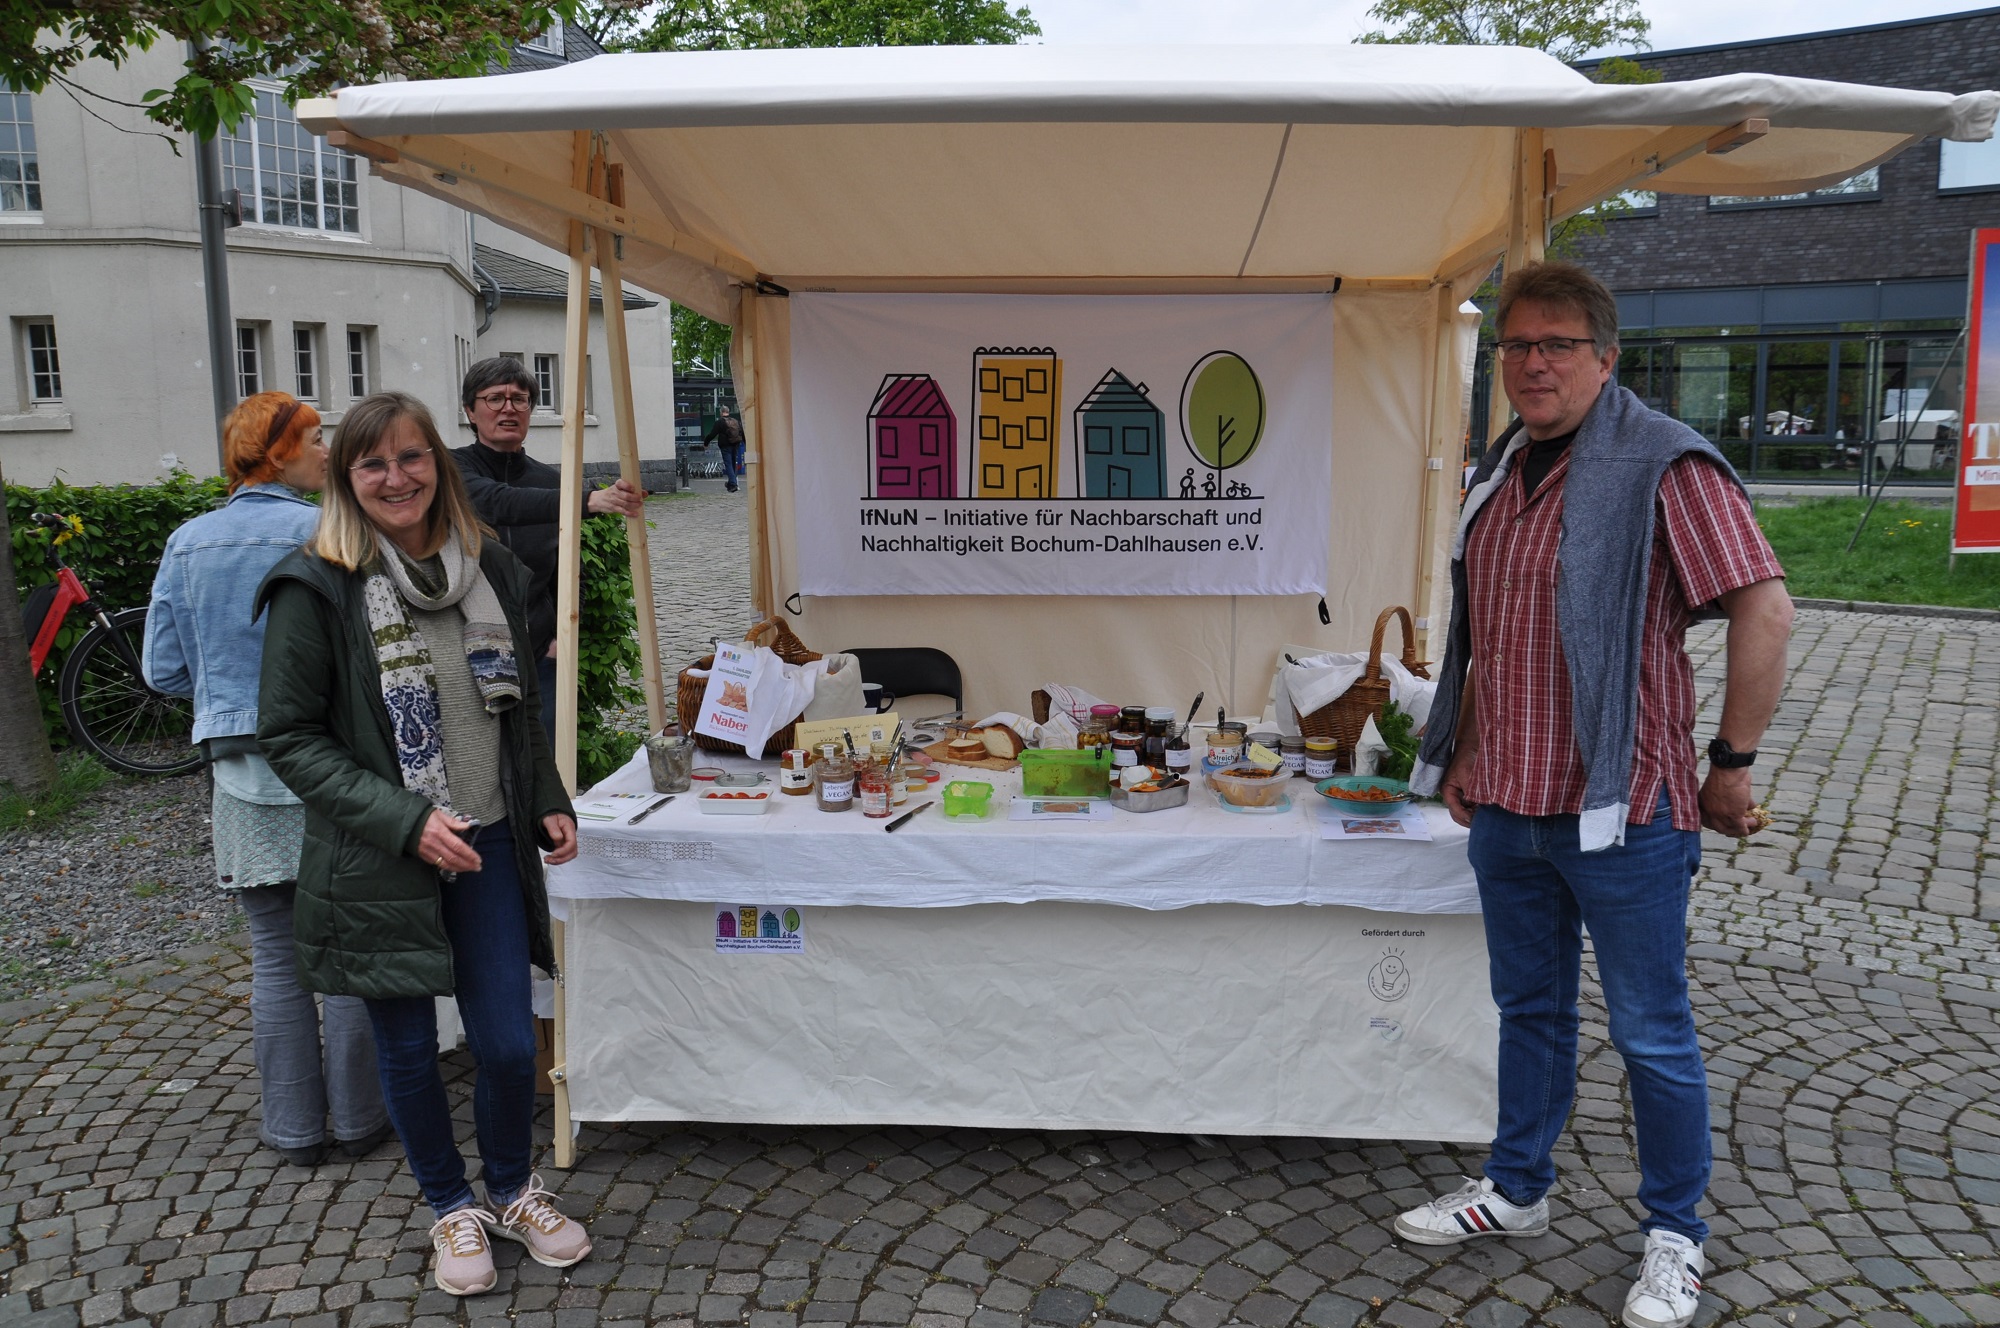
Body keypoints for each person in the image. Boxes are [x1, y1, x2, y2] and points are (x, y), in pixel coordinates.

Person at [1397, 262, 1793, 1328]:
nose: (1533, 363)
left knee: (1651, 1031)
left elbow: (1765, 608)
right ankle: (1517, 1186)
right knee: (1527, 1010)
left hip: (1625, 809)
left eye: (1557, 345)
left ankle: (1675, 1234)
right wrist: (1464, 748)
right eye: (1517, 345)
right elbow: (1490, 635)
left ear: (1604, 358)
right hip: (1510, 803)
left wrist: (1731, 762)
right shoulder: (1501, 465)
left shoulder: (1664, 463)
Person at [256, 391, 592, 1297]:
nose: (395, 477)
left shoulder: (490, 568)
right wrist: (407, 821)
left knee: (509, 1045)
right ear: (346, 479)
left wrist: (546, 796)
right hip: (382, 856)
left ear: (438, 467)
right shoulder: (317, 584)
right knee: (407, 1049)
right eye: (372, 463)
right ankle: (450, 1204)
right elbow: (289, 737)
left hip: (488, 843)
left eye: (411, 458)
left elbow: (518, 709)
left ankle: (512, 1188)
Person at [143, 390, 391, 1169]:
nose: (327, 452)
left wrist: (227, 687)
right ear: (276, 452)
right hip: (335, 765)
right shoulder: (332, 534)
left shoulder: (187, 542)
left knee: (278, 959)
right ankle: (360, 1120)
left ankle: (293, 1128)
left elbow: (162, 670)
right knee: (345, 951)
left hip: (242, 771)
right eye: (314, 439)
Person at [452, 357, 645, 748]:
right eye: (494, 399)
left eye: (519, 399)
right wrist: (587, 499)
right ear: (470, 411)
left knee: (546, 755)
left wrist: (560, 638)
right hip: (468, 649)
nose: (508, 408)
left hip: (540, 652)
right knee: (482, 758)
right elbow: (497, 502)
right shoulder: (452, 469)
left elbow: (570, 568)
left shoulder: (552, 482)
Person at [703, 403, 745, 492]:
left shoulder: (720, 422)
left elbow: (712, 434)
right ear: (728, 412)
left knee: (728, 464)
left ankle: (733, 483)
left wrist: (706, 443)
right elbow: (742, 432)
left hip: (725, 446)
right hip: (736, 444)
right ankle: (731, 483)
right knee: (733, 464)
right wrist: (745, 443)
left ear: (721, 412)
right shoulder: (736, 421)